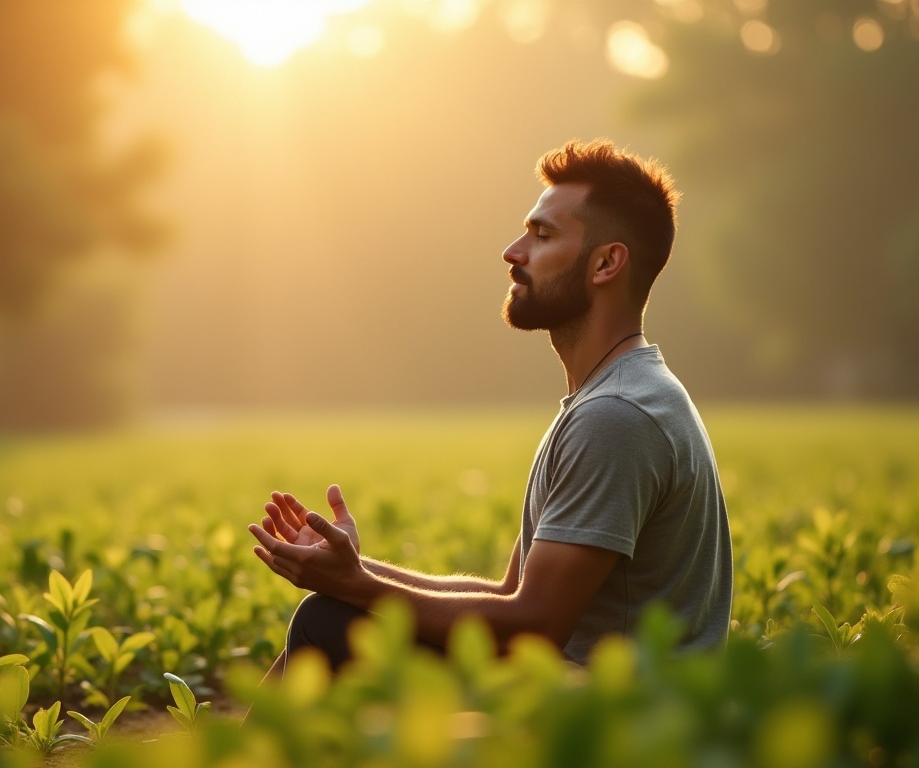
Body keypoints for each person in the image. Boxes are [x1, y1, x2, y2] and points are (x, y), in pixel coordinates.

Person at [248, 139, 732, 676]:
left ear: (606, 263)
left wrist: (356, 589)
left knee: (330, 622)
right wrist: (355, 572)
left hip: (617, 719)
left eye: (542, 234)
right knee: (339, 610)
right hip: (578, 691)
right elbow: (511, 595)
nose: (513, 251)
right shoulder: (613, 396)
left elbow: (533, 627)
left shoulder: (616, 414)